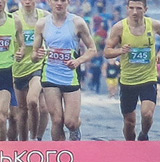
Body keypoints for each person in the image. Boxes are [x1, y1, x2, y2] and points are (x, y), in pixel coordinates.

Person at [103, 0, 160, 140]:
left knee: (147, 114)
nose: (135, 12)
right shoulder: (119, 28)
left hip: (148, 77)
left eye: (138, 8)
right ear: (127, 9)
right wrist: (120, 50)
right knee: (129, 122)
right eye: (132, 8)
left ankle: (144, 134)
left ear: (145, 9)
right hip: (128, 80)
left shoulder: (154, 25)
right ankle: (130, 147)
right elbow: (107, 52)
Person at [32, 0, 96, 141]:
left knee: (70, 122)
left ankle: (76, 128)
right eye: (55, 0)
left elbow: (92, 49)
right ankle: (61, 155)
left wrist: (78, 61)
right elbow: (34, 55)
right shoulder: (42, 24)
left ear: (68, 2)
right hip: (50, 76)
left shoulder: (77, 23)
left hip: (69, 76)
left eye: (62, 0)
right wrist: (37, 55)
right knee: (56, 120)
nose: (59, 3)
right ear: (49, 2)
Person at [11, 0, 47, 141]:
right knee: (22, 110)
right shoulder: (14, 18)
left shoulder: (45, 17)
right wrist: (15, 55)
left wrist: (46, 51)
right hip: (18, 68)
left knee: (33, 101)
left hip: (38, 66)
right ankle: (24, 144)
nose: (27, 1)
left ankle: (36, 139)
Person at [0, 2, 24, 140]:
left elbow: (21, 45)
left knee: (8, 117)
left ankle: (7, 151)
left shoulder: (14, 21)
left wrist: (20, 53)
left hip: (6, 73)